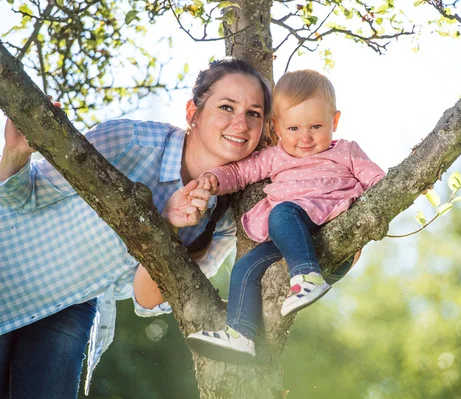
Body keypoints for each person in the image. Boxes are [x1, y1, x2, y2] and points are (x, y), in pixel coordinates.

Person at [0, 59, 272, 398]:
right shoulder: (130, 140)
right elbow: (24, 195)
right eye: (226, 107)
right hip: (10, 270)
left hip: (71, 302)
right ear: (193, 112)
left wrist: (167, 228)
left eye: (254, 113)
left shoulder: (226, 216)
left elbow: (146, 299)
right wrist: (14, 152)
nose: (240, 123)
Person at [178, 69, 385, 364]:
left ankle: (308, 277)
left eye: (316, 126)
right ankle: (241, 334)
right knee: (245, 267)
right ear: (276, 127)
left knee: (282, 211)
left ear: (334, 121)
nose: (305, 138)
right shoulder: (276, 156)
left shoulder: (346, 151)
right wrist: (214, 178)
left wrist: (403, 188)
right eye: (293, 129)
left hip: (328, 224)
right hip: (289, 236)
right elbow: (240, 172)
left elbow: (377, 181)